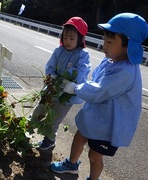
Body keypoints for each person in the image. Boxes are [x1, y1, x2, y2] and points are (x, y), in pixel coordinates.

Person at [50, 13, 148, 180]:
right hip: (99, 116)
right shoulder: (111, 60)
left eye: (110, 42)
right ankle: (71, 165)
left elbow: (99, 90)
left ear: (127, 45)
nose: (105, 46)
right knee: (79, 137)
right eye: (104, 40)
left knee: (95, 156)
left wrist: (74, 88)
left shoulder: (126, 71)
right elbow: (95, 82)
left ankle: (93, 179)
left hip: (110, 124)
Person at [30, 17, 91, 150]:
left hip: (67, 96)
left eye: (71, 38)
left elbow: (83, 71)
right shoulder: (59, 51)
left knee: (54, 119)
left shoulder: (83, 55)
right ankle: (28, 128)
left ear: (80, 38)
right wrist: (52, 77)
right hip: (51, 89)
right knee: (39, 111)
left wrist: (69, 83)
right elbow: (50, 66)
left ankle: (49, 139)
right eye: (65, 37)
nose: (67, 41)